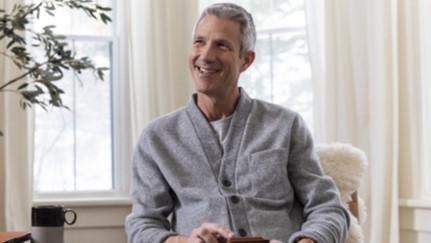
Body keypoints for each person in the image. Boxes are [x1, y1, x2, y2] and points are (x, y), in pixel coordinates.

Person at [125, 3, 350, 243]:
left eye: (221, 45)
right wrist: (184, 242)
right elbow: (142, 224)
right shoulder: (157, 137)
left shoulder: (286, 125)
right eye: (199, 41)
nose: (206, 55)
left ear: (246, 60)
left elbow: (328, 208)